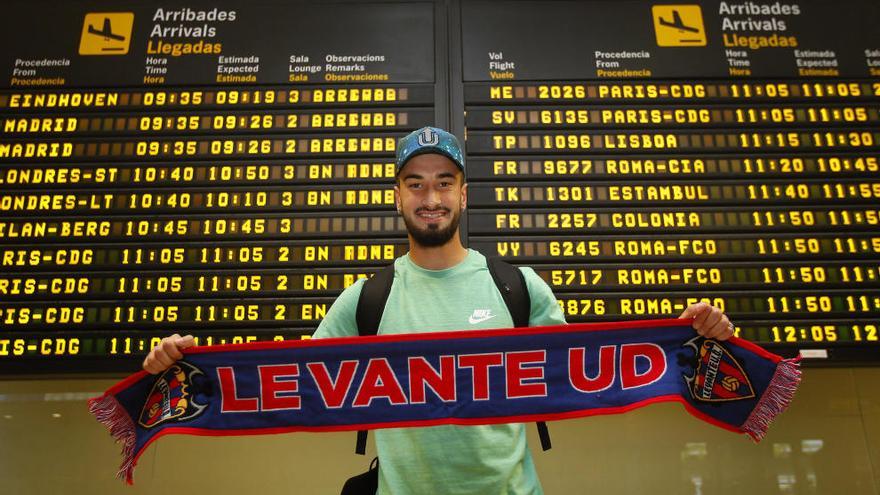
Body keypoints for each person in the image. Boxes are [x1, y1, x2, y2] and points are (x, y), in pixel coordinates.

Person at [144, 126, 735, 494]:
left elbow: (595, 371)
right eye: (416, 184)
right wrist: (184, 367)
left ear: (463, 193)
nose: (431, 198)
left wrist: (699, 342)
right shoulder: (366, 301)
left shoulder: (519, 289)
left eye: (444, 182)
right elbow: (284, 380)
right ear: (397, 194)